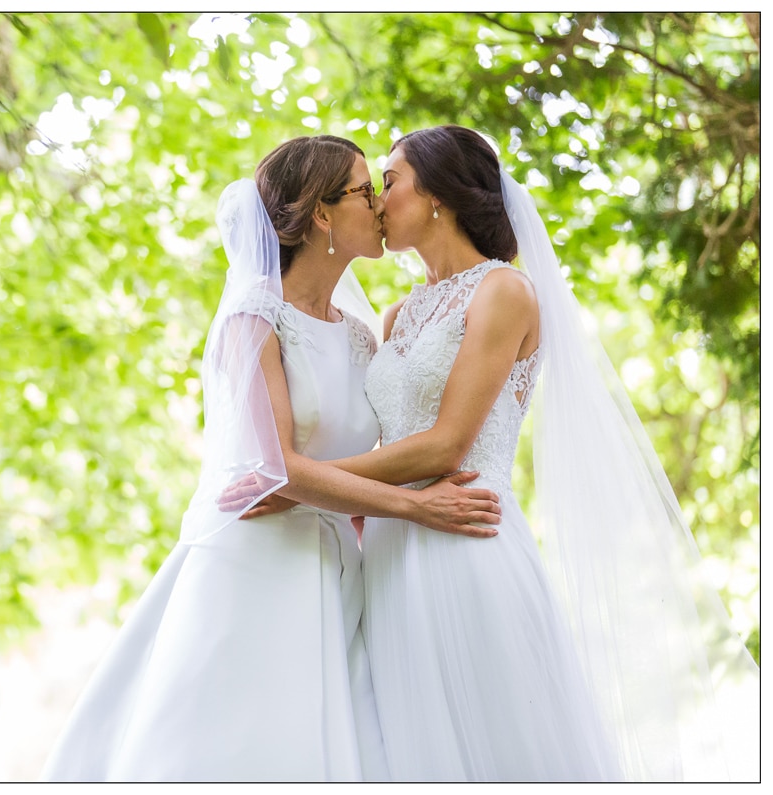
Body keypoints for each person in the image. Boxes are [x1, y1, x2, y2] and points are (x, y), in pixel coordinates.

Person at [226, 125, 759, 781]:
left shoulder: (505, 292)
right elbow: (383, 438)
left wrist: (296, 481)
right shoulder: (394, 318)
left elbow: (447, 443)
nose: (378, 201)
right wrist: (326, 494)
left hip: (464, 532)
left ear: (439, 198)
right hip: (390, 555)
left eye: (390, 183)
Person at [41, 135, 503, 782]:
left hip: (340, 570)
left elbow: (358, 456)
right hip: (255, 563)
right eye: (364, 190)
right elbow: (273, 470)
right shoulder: (253, 320)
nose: (377, 204)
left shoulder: (362, 337)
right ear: (320, 213)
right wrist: (415, 505)